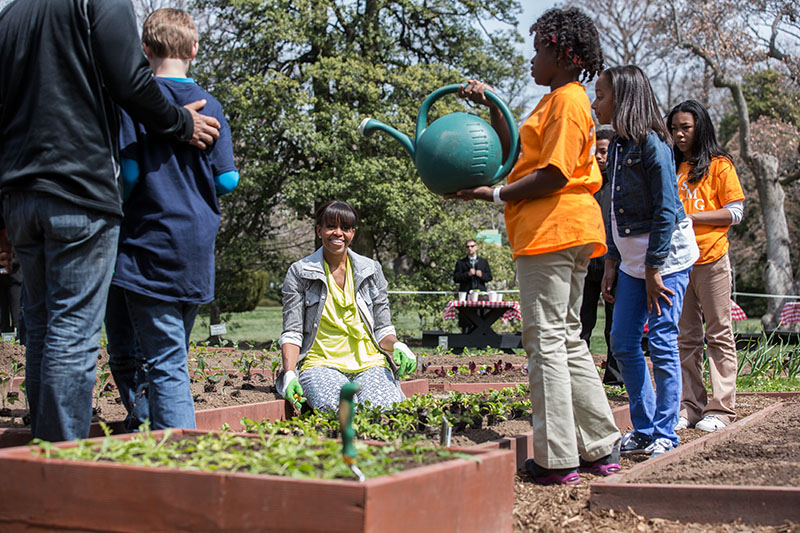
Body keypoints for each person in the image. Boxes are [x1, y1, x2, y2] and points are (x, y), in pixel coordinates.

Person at [0, 0, 220, 442]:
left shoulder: (10, 15)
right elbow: (130, 80)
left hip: (20, 195)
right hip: (79, 188)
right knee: (72, 332)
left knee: (40, 328)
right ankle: (64, 466)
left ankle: (43, 455)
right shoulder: (97, 1)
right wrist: (180, 122)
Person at [448, 7, 621, 485]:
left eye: (540, 48)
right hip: (563, 231)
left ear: (563, 54)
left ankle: (555, 458)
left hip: (553, 230)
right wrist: (491, 108)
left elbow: (553, 174)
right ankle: (600, 447)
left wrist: (497, 194)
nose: (532, 57)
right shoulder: (555, 101)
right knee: (566, 339)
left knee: (544, 341)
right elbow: (516, 161)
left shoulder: (567, 102)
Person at [104, 8, 239, 432]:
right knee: (163, 352)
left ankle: (178, 461)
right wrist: (194, 193)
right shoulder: (212, 103)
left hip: (149, 243)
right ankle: (142, 426)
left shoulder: (136, 103)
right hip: (196, 245)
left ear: (145, 48)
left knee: (165, 363)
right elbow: (229, 179)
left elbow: (128, 175)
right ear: (194, 50)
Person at [593, 65, 699, 458]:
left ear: (622, 98)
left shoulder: (653, 144)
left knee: (662, 340)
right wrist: (611, 260)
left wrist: (654, 269)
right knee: (622, 341)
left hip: (665, 261)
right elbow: (617, 212)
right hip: (633, 263)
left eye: (601, 95)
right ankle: (643, 426)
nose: (595, 103)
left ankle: (666, 432)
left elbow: (667, 211)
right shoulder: (617, 145)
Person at [277, 201, 416, 413]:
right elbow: (293, 332)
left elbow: (382, 329)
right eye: (331, 226)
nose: (338, 233)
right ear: (319, 231)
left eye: (346, 228)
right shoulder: (300, 272)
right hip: (320, 364)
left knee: (383, 409)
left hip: (371, 364)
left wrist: (397, 345)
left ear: (353, 233)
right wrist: (289, 373)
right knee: (339, 410)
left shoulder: (371, 270)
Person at [668, 100, 745, 432]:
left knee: (718, 333)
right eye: (674, 129)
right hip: (678, 262)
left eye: (685, 127)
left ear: (700, 126)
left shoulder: (720, 165)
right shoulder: (672, 166)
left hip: (712, 258)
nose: (679, 134)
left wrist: (693, 217)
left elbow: (736, 212)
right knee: (686, 336)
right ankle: (690, 406)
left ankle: (722, 408)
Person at [578, 127, 623, 386]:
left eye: (604, 151)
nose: (599, 157)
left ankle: (615, 379)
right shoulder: (585, 185)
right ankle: (581, 379)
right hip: (585, 263)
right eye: (596, 151)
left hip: (616, 264)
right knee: (582, 324)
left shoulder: (623, 185)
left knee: (614, 327)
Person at [453, 238, 493, 332]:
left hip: (481, 295)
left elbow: (489, 277)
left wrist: (481, 275)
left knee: (482, 317)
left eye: (472, 246)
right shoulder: (461, 263)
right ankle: (465, 342)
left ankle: (482, 344)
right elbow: (456, 278)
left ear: (476, 247)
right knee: (466, 318)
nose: (470, 248)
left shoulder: (483, 262)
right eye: (467, 247)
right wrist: (467, 274)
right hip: (466, 295)